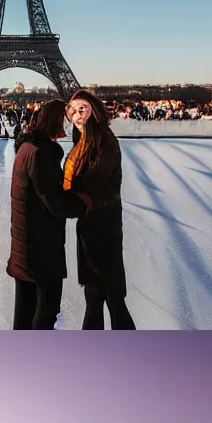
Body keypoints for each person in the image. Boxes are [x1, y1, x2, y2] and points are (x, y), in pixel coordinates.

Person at [7, 98, 86, 329]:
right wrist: (86, 204)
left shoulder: (26, 148)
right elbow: (55, 202)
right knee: (47, 310)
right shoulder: (41, 154)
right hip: (40, 249)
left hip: (26, 245)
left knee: (25, 312)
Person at [63, 89, 137, 330]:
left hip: (103, 230)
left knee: (112, 299)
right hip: (89, 229)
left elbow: (91, 186)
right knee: (95, 298)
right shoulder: (82, 143)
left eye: (81, 109)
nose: (76, 114)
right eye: (72, 111)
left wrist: (62, 202)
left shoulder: (104, 141)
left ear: (94, 110)